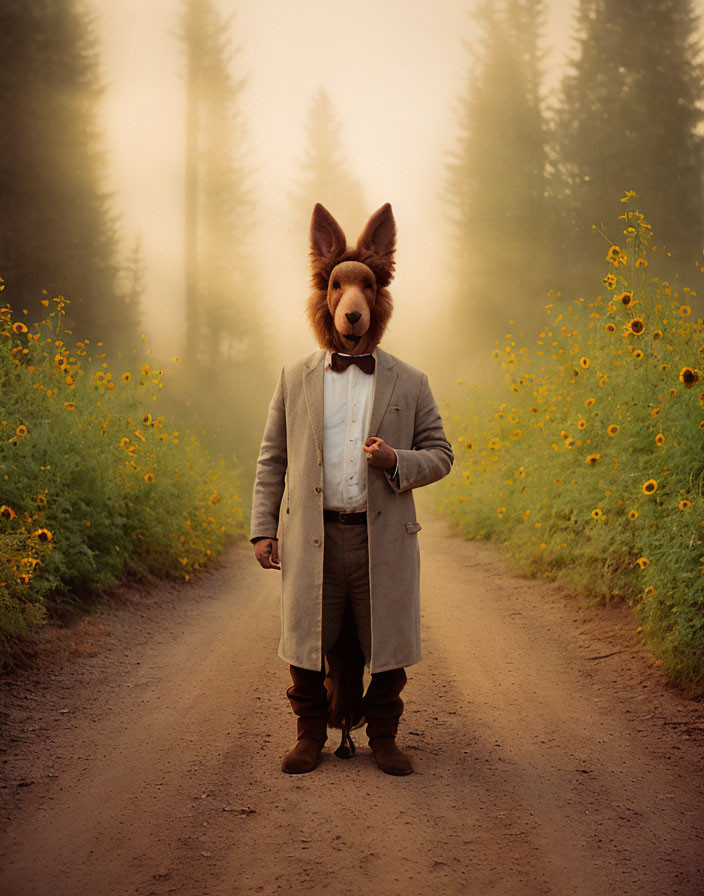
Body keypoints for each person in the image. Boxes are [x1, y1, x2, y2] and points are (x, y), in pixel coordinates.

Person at [250, 201, 453, 775]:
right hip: (314, 534)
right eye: (340, 286)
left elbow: (441, 454)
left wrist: (396, 461)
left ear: (379, 294)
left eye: (363, 286)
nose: (352, 301)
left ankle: (384, 737)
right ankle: (309, 735)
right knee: (307, 639)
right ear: (326, 295)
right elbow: (273, 458)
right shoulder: (295, 378)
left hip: (379, 536)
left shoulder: (410, 381)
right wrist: (263, 528)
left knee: (386, 638)